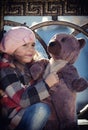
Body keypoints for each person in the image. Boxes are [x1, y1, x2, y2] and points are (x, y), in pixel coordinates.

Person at [0, 26, 59, 130]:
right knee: (42, 109)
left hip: (27, 113)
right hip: (14, 120)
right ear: (12, 48)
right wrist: (46, 84)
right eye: (24, 45)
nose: (31, 49)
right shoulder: (6, 71)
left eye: (32, 45)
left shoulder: (29, 66)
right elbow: (23, 100)